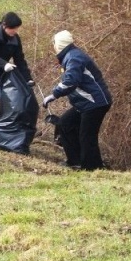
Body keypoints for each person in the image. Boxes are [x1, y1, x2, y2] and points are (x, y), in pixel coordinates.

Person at [41, 30, 112, 171]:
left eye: (54, 43)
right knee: (65, 124)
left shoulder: (73, 58)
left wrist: (53, 95)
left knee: (87, 135)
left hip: (95, 103)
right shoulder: (71, 55)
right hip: (86, 104)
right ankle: (75, 161)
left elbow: (70, 81)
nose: (53, 46)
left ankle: (91, 168)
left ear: (59, 45)